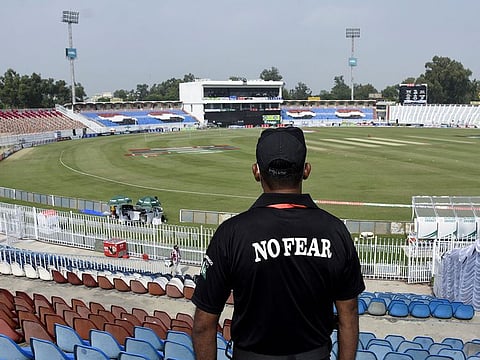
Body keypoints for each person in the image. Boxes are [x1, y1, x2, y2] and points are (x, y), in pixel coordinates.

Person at [192, 126, 365, 360]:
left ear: (256, 171)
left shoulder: (231, 233)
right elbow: (348, 313)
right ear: (306, 170)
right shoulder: (335, 231)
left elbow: (204, 323)